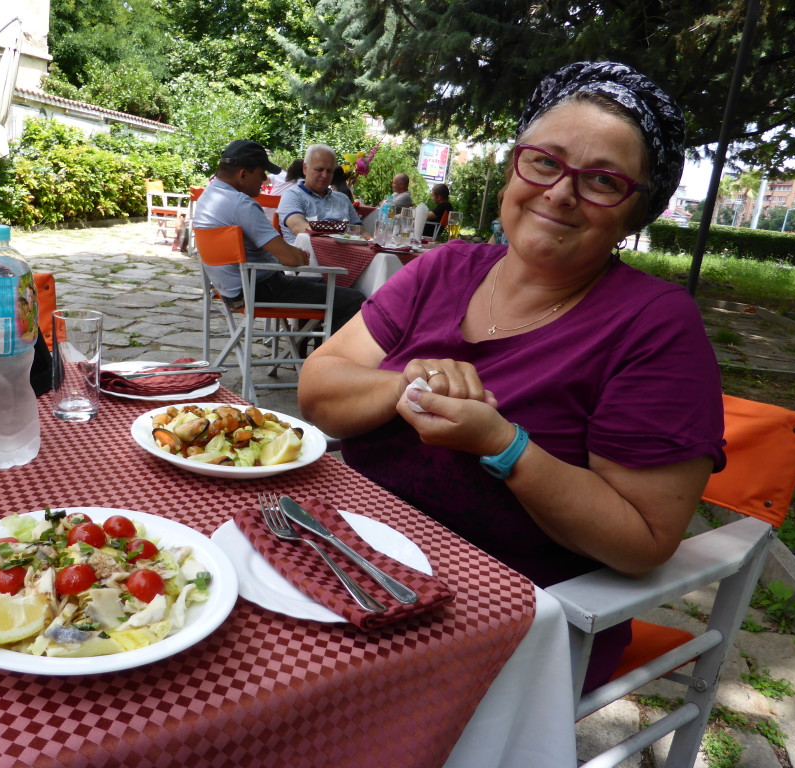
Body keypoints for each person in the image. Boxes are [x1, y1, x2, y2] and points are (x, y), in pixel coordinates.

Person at [297, 61, 725, 692]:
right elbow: (318, 389)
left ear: (637, 213)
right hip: (346, 557)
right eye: (545, 162)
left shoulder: (655, 325)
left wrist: (503, 446)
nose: (559, 193)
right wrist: (406, 385)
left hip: (502, 621)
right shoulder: (444, 268)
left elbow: (644, 539)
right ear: (513, 170)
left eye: (602, 180)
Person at [192, 140, 365, 334]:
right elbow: (291, 259)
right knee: (356, 300)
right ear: (243, 175)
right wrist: (298, 255)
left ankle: (309, 349)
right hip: (259, 289)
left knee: (325, 285)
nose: (264, 178)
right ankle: (328, 360)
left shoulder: (208, 197)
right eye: (261, 173)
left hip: (229, 290)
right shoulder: (241, 204)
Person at [277, 144, 361, 245]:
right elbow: (299, 228)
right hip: (306, 258)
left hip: (346, 257)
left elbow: (361, 232)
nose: (325, 175)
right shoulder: (292, 196)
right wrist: (340, 232)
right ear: (305, 168)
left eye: (329, 171)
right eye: (319, 170)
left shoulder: (342, 199)